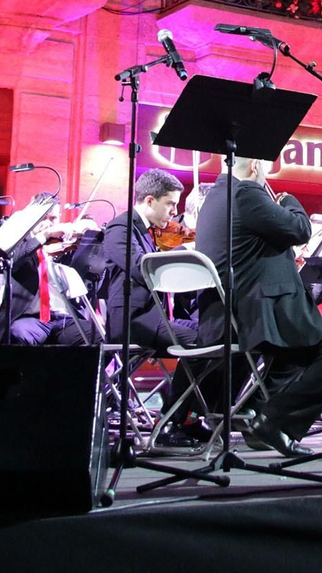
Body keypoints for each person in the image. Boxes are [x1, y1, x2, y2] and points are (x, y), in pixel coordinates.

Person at [196, 156, 322, 457]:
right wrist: (290, 201)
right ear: (256, 167)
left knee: (296, 352)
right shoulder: (247, 193)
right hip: (258, 315)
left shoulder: (215, 198)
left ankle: (257, 414)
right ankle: (274, 421)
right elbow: (299, 229)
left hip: (226, 314)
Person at [102, 169, 206, 448]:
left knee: (213, 333)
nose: (175, 212)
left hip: (153, 318)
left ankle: (191, 418)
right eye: (170, 204)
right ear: (150, 200)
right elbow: (141, 268)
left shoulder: (145, 230)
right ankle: (171, 422)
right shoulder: (120, 228)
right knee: (202, 342)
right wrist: (184, 253)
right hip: (133, 321)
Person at [2, 211, 104, 346]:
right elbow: (14, 261)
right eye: (43, 217)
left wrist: (88, 238)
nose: (48, 222)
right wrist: (45, 235)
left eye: (53, 218)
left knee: (100, 337)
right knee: (18, 333)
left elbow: (88, 280)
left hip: (65, 319)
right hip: (32, 320)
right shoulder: (21, 245)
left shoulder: (66, 246)